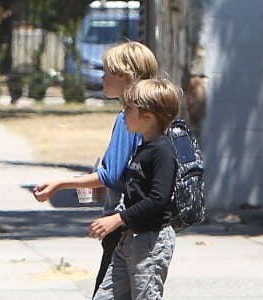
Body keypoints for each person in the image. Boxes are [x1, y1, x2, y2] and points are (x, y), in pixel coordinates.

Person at [32, 41, 158, 296]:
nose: (102, 77)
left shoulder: (126, 119)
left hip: (121, 225)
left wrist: (60, 184)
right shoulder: (147, 117)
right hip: (134, 224)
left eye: (107, 71)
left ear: (123, 76)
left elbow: (111, 176)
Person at [90, 78, 181, 300]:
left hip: (150, 242)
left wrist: (117, 219)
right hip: (129, 238)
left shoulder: (162, 151)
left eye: (129, 109)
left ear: (148, 117)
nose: (124, 113)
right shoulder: (143, 146)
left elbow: (157, 199)